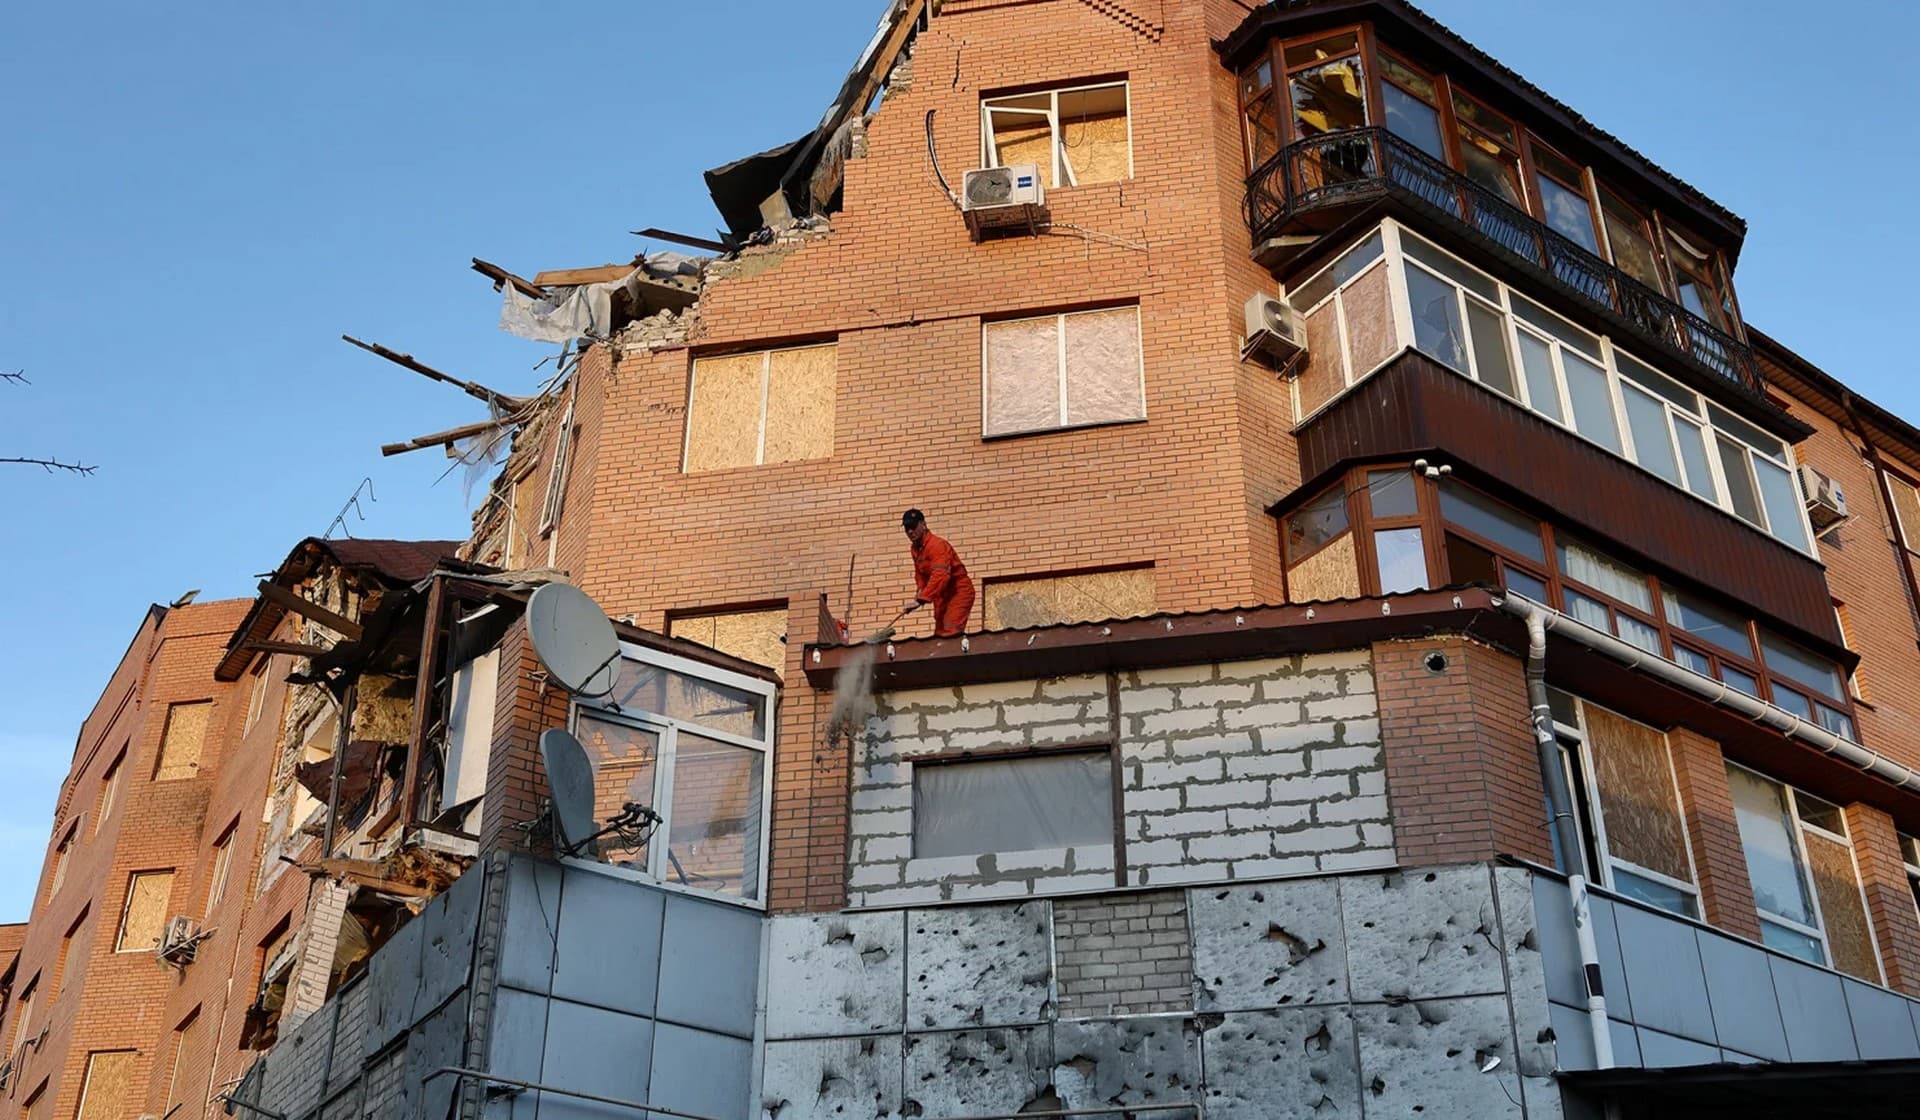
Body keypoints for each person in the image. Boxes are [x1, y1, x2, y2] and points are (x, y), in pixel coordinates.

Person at [901, 508, 975, 638]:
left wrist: (922, 599)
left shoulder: (937, 545)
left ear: (923, 525)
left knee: (950, 631)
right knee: (940, 635)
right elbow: (920, 575)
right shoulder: (915, 549)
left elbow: (941, 575)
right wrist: (919, 592)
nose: (910, 531)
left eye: (913, 526)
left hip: (958, 591)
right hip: (941, 594)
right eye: (907, 528)